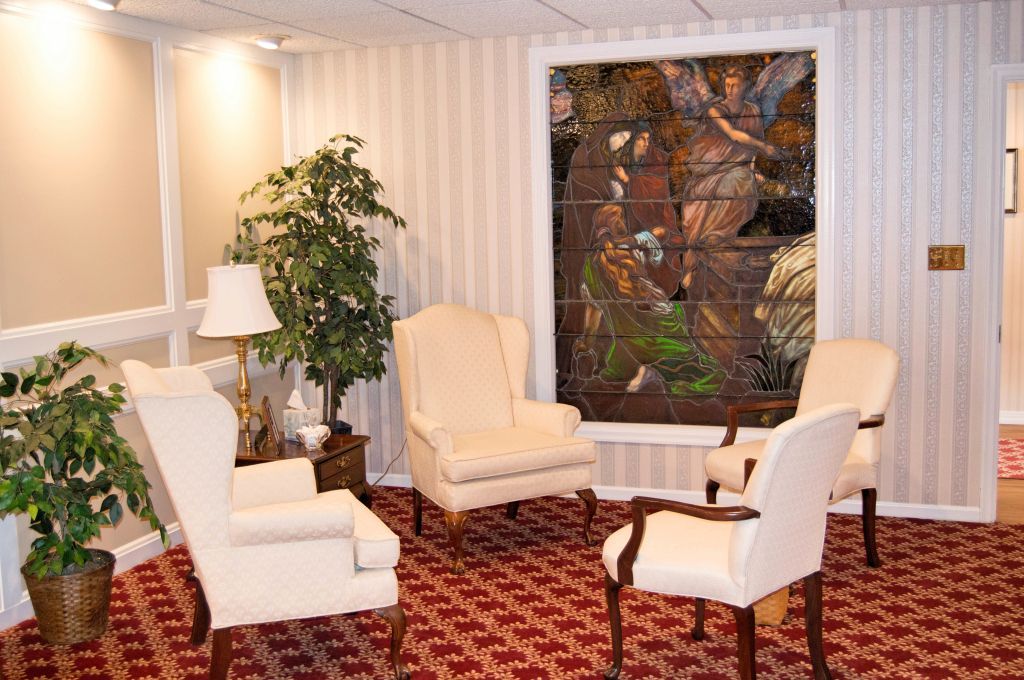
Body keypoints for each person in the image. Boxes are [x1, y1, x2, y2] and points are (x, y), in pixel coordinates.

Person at [573, 204, 724, 397]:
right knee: (702, 367)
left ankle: (641, 367)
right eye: (621, 218)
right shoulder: (633, 245)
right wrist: (634, 239)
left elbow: (594, 308)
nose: (624, 222)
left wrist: (587, 342)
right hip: (659, 320)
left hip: (627, 338)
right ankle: (655, 370)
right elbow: (663, 233)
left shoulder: (591, 264)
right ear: (615, 225)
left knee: (625, 348)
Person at [680, 65, 783, 290]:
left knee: (741, 179)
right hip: (708, 172)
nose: (729, 89)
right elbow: (734, 135)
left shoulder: (753, 111)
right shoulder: (715, 110)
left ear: (745, 87)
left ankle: (720, 238)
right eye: (727, 85)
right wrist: (764, 147)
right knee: (729, 186)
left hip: (738, 169)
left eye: (735, 85)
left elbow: (750, 149)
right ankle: (693, 263)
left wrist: (753, 168)